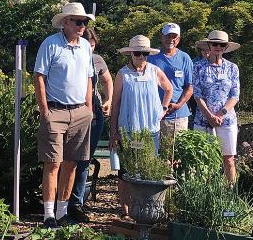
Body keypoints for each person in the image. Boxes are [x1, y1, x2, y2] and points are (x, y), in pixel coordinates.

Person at [34, 2, 95, 228]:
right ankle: (48, 215)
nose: (82, 26)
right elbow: (38, 76)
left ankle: (62, 212)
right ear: (66, 22)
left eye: (85, 22)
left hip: (80, 111)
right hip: (55, 110)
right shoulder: (50, 44)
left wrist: (88, 108)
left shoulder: (86, 47)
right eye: (78, 22)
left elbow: (89, 78)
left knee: (71, 164)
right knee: (53, 163)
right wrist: (44, 111)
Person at [108, 35, 172, 217]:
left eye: (144, 53)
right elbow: (116, 104)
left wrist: (164, 108)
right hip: (128, 129)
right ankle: (126, 209)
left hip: (150, 129)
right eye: (138, 53)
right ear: (130, 54)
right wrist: (113, 131)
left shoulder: (154, 71)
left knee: (147, 168)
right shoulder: (122, 74)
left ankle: (145, 207)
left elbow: (169, 88)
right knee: (126, 170)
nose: (141, 57)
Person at [67, 26, 113, 223]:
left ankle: (77, 202)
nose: (91, 49)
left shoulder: (97, 60)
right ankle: (62, 201)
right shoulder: (70, 55)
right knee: (67, 160)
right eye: (89, 45)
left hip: (94, 113)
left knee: (85, 159)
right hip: (72, 109)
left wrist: (109, 100)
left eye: (93, 46)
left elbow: (107, 80)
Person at [192, 30, 241, 184]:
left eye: (222, 44)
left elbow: (235, 95)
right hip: (203, 119)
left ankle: (230, 193)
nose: (218, 47)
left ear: (226, 47)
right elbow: (197, 94)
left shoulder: (233, 68)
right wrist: (209, 115)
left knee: (229, 159)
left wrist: (220, 114)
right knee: (203, 160)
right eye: (215, 43)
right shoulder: (198, 67)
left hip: (226, 120)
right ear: (209, 45)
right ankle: (204, 194)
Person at [148, 23, 194, 137]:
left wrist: (179, 105)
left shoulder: (185, 58)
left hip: (178, 116)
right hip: (152, 114)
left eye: (174, 36)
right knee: (151, 152)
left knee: (175, 152)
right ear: (161, 37)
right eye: (168, 36)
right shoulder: (150, 57)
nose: (171, 39)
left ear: (179, 39)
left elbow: (190, 86)